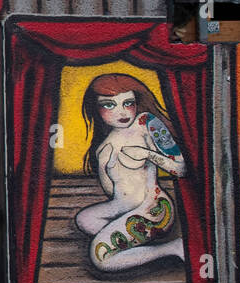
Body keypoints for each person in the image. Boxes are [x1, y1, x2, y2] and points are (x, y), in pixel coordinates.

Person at [74, 73, 185, 272]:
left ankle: (172, 248)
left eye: (128, 103)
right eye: (109, 105)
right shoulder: (104, 144)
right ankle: (130, 243)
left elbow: (180, 168)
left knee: (101, 257)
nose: (122, 112)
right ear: (95, 108)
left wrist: (147, 154)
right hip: (123, 206)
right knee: (84, 220)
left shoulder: (145, 123)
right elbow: (113, 190)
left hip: (153, 207)